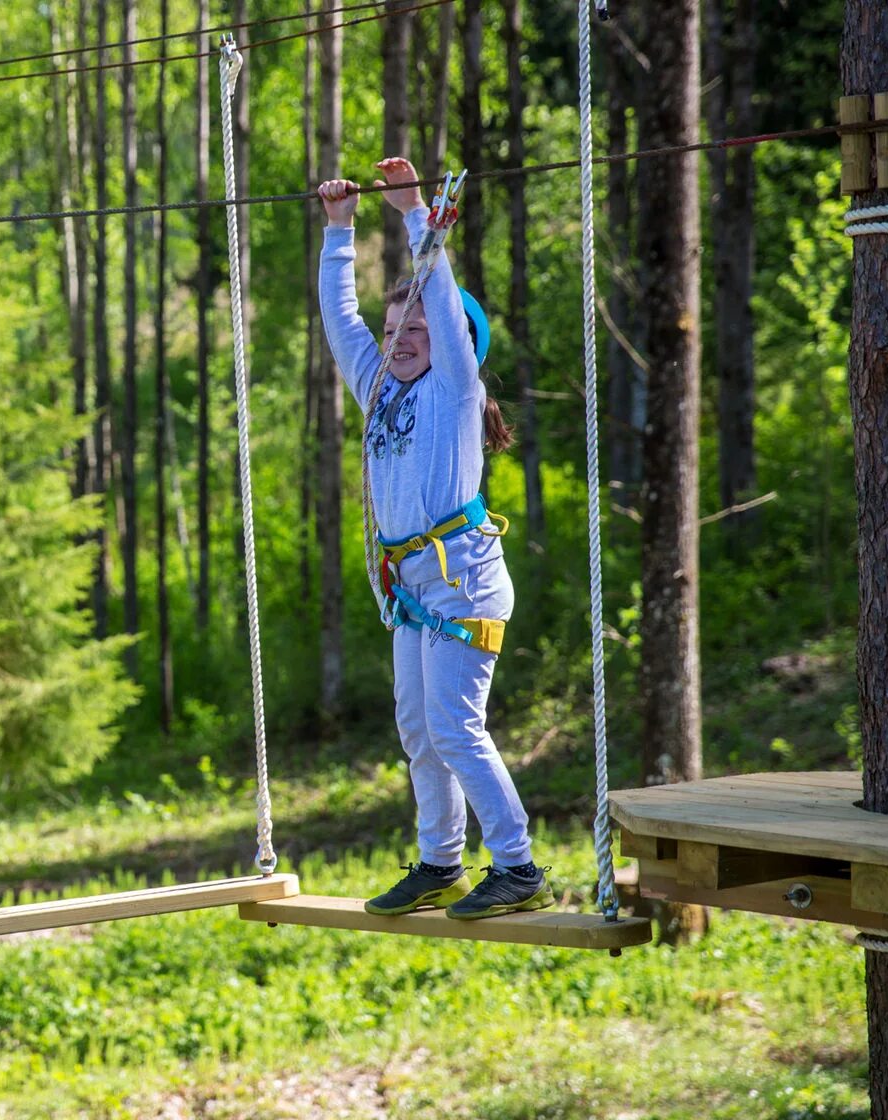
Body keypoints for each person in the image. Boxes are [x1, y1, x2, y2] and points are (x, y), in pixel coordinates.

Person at [315, 157, 549, 920]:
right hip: (413, 586)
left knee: (454, 726)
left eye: (414, 328)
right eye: (394, 331)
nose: (400, 339)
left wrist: (416, 212)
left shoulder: (455, 386)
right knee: (419, 730)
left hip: (465, 578)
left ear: (454, 343)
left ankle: (516, 864)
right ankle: (440, 861)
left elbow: (441, 304)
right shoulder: (379, 388)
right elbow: (341, 321)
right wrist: (339, 233)